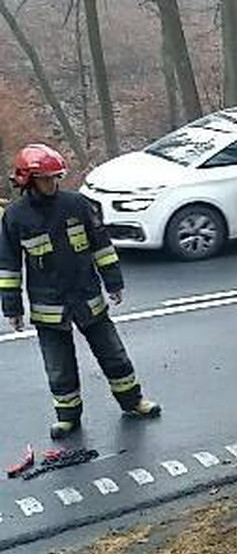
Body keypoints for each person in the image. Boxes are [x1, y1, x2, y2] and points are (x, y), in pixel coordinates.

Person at [0, 144, 161, 439]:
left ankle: (133, 402)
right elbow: (9, 266)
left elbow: (101, 245)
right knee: (59, 368)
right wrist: (12, 308)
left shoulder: (76, 205)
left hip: (88, 298)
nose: (52, 184)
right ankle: (67, 418)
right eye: (46, 179)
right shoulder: (15, 217)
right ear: (28, 180)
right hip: (49, 308)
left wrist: (114, 282)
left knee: (114, 356)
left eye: (55, 178)